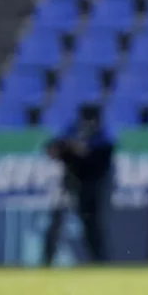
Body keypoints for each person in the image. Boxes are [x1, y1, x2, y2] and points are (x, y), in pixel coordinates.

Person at [43, 104, 115, 266]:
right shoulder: (71, 132)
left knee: (91, 225)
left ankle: (98, 260)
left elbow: (99, 161)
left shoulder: (102, 139)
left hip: (91, 187)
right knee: (56, 221)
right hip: (68, 185)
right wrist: (68, 148)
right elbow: (52, 149)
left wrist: (81, 151)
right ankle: (47, 259)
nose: (87, 124)